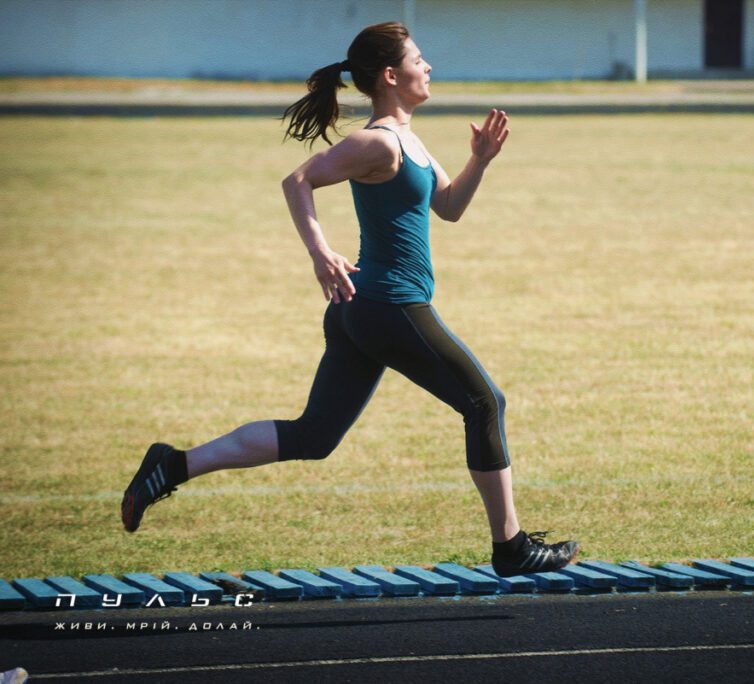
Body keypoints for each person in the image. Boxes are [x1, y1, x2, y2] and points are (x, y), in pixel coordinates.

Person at [121, 21, 580, 578]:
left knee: (313, 436)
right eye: (419, 60)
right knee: (485, 403)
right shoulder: (376, 141)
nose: (428, 67)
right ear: (391, 75)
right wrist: (320, 252)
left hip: (362, 309)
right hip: (388, 303)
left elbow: (450, 206)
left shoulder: (409, 141)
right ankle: (510, 546)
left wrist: (480, 160)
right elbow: (297, 181)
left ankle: (172, 465)